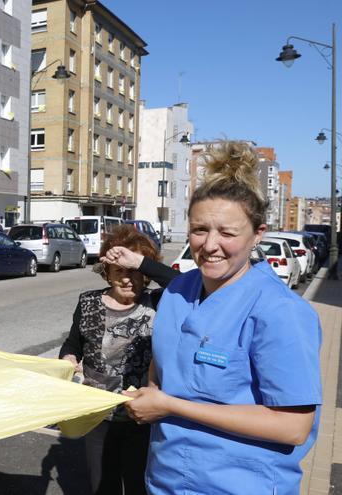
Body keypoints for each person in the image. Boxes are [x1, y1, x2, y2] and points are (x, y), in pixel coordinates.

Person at [123, 141, 322, 494]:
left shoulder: (281, 312)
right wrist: (149, 395)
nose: (210, 245)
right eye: (200, 230)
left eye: (228, 233)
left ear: (258, 234)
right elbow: (162, 368)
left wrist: (170, 406)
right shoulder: (177, 292)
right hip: (165, 481)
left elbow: (293, 427)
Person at [59, 225, 162, 495]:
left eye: (135, 272)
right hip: (98, 415)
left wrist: (141, 261)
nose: (128, 279)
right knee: (102, 485)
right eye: (120, 271)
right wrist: (68, 358)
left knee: (139, 485)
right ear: (108, 273)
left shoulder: (160, 302)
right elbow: (73, 343)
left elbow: (186, 283)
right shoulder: (88, 302)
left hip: (141, 416)